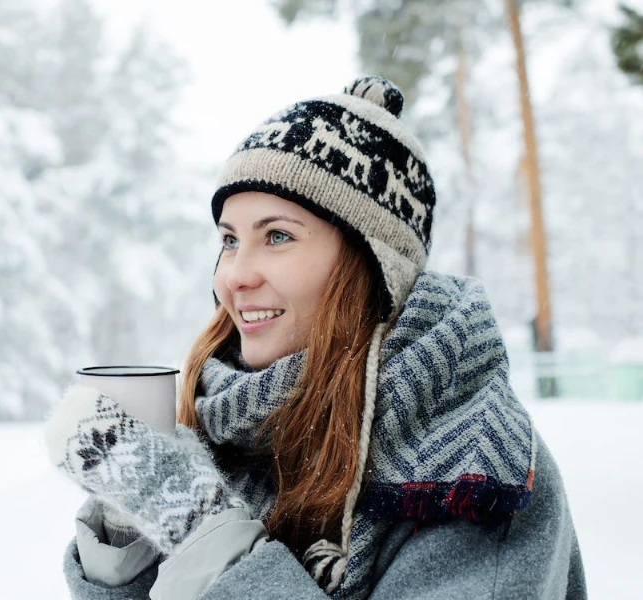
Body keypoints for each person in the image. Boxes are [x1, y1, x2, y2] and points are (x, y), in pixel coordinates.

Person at [43, 76, 587, 599]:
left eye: (277, 236)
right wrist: (127, 522)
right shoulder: (239, 434)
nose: (234, 275)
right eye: (229, 240)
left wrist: (194, 523)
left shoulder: (470, 472)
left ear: (372, 266)